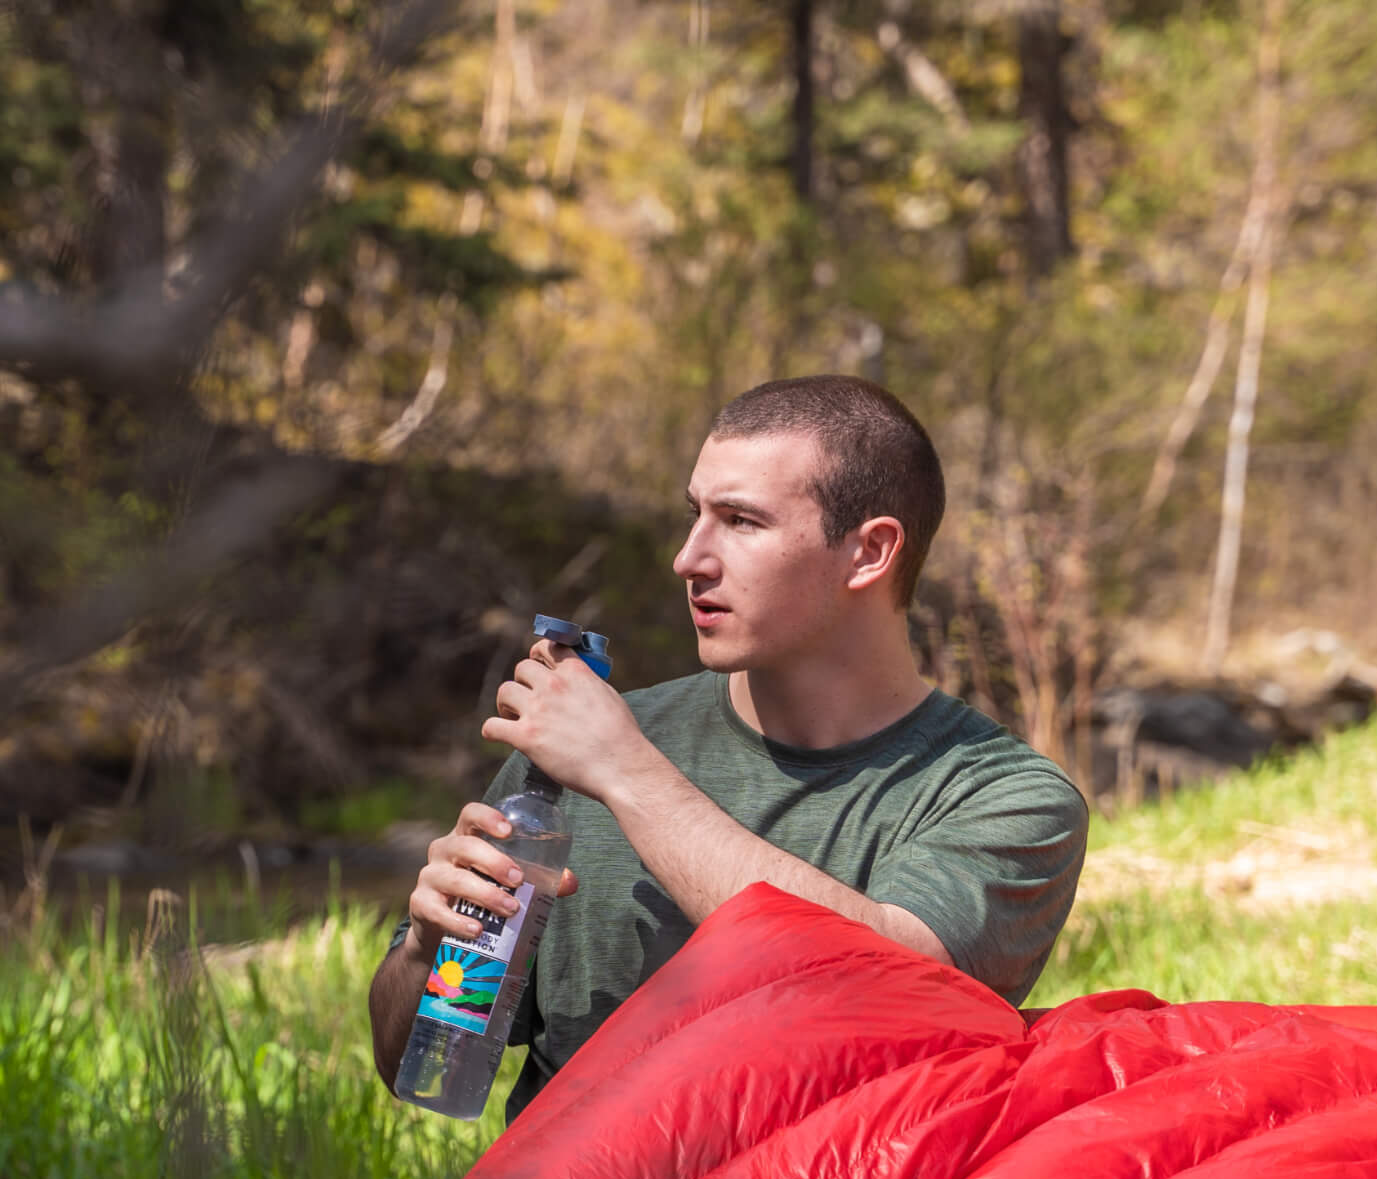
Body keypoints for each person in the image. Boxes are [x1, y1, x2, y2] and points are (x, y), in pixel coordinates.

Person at [369, 376, 1089, 1122]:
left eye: (741, 522)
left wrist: (625, 772)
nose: (688, 559)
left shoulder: (1005, 798)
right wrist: (424, 949)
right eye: (696, 515)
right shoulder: (576, 749)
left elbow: (887, 996)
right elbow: (407, 1065)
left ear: (868, 553)